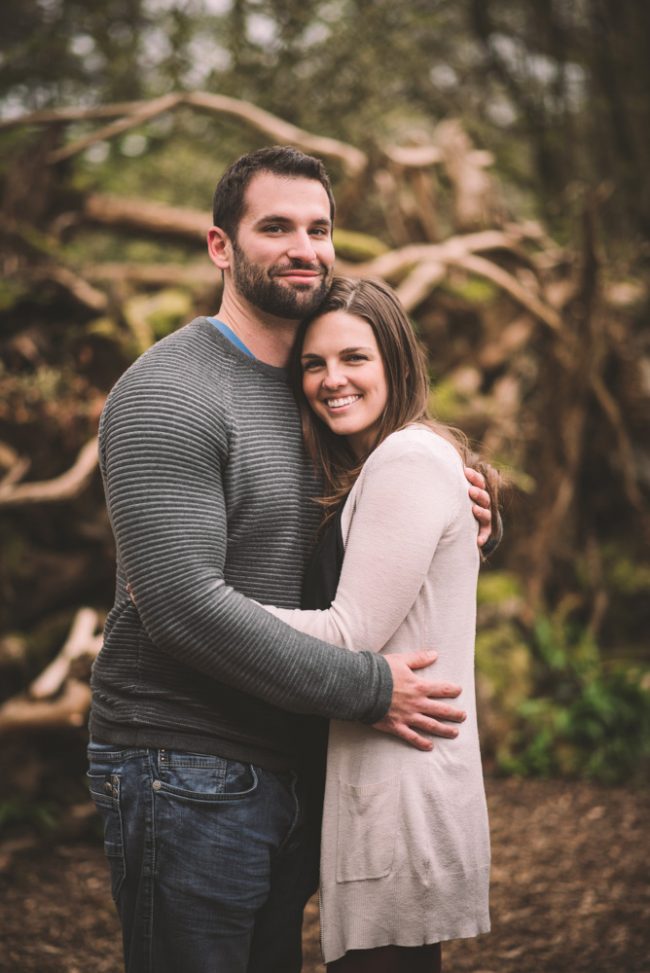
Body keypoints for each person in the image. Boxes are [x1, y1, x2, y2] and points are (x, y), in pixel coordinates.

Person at [87, 146, 497, 973]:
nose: (303, 246)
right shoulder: (170, 392)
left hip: (291, 759)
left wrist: (469, 508)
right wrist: (369, 687)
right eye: (275, 226)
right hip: (185, 760)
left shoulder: (315, 388)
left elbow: (371, 517)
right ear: (220, 246)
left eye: (319, 228)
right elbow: (179, 608)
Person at [263, 276, 497, 972]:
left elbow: (348, 633)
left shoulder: (406, 457)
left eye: (353, 358)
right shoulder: (381, 463)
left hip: (398, 788)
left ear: (396, 362)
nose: (331, 379)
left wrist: (200, 609)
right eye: (313, 363)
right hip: (384, 778)